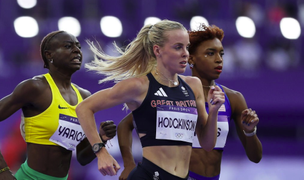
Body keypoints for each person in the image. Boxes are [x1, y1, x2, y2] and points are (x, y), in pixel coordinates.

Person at [76, 19, 225, 180]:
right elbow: (83, 108)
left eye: (187, 47)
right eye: (178, 47)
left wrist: (214, 110)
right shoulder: (139, 86)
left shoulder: (193, 85)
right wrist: (101, 152)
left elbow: (208, 144)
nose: (185, 53)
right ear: (158, 50)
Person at [117, 24, 263, 180]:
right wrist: (128, 164)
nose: (219, 60)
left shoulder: (232, 98)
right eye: (210, 53)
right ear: (191, 58)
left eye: (221, 53)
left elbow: (255, 158)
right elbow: (125, 125)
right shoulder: (170, 91)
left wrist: (249, 131)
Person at [0, 31, 117, 180]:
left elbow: (82, 157)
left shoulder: (84, 97)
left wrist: (102, 138)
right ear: (49, 55)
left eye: (78, 46)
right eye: (68, 46)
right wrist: (2, 170)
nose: (77, 51)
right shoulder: (36, 88)